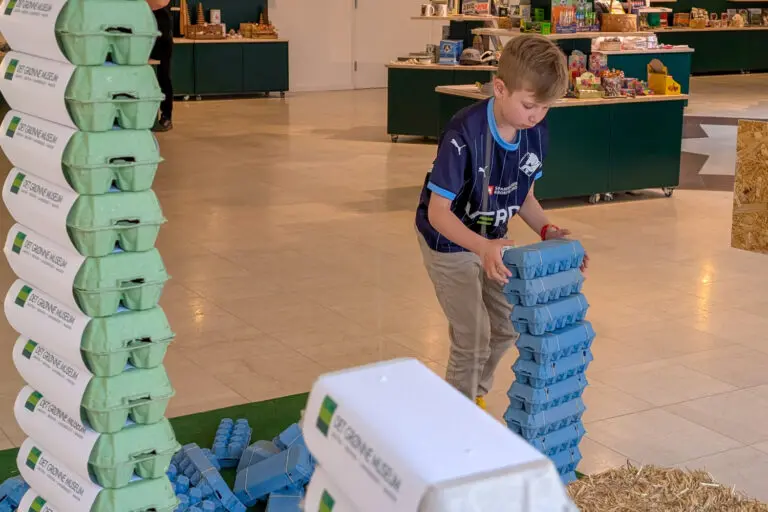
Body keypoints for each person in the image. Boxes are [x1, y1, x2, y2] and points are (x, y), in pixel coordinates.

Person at [414, 35, 587, 409]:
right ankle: (454, 416)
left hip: (493, 239)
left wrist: (547, 229)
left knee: (507, 324)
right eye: (529, 106)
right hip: (448, 239)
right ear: (500, 88)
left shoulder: (535, 133)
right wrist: (480, 246)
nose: (537, 116)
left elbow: (522, 195)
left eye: (546, 108)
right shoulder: (463, 134)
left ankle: (474, 394)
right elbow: (437, 213)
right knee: (473, 334)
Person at [148, 0, 174, 131]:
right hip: (146, 38)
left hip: (162, 39)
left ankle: (167, 116)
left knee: (163, 77)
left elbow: (158, 3)